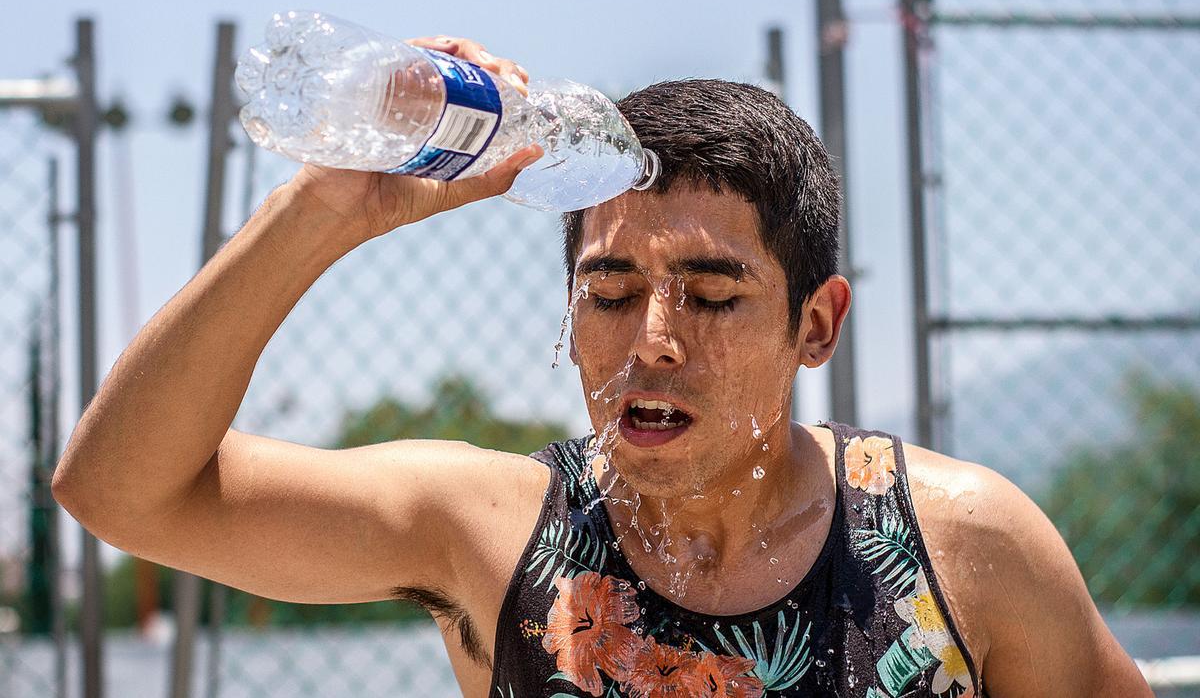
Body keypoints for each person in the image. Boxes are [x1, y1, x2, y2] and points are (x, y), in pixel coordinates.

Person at [52, 36, 1150, 698]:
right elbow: (120, 490)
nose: (652, 341)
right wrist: (320, 213)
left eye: (714, 297)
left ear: (817, 324)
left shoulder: (960, 546)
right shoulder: (492, 529)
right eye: (611, 292)